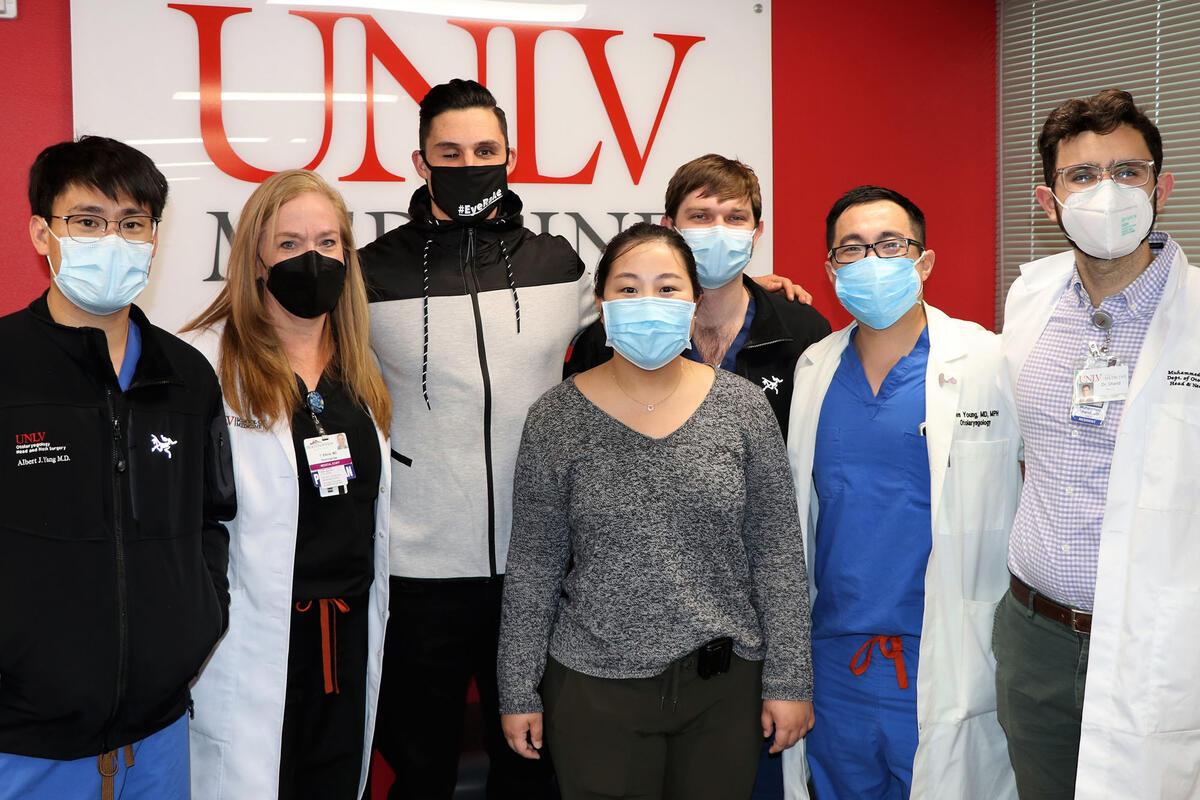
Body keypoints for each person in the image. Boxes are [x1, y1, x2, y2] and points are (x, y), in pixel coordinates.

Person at [497, 221, 813, 800]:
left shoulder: (741, 406)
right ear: (601, 303)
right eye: (628, 287)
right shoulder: (555, 418)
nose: (649, 303)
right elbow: (533, 566)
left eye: (668, 288)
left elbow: (777, 554)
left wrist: (790, 677)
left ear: (694, 302)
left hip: (723, 687)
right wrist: (517, 689)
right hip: (592, 688)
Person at [358, 78, 588, 798]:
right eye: (449, 151)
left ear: (510, 156)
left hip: (542, 564)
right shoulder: (370, 272)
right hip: (419, 572)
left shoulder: (560, 264)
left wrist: (755, 288)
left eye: (484, 150)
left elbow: (655, 294)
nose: (469, 163)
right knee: (418, 769)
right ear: (420, 162)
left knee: (533, 767)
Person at [0, 136, 235, 799]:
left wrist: (198, 620)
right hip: (23, 743)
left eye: (133, 223)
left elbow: (213, 517)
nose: (114, 239)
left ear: (154, 238)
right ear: (43, 233)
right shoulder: (7, 366)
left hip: (158, 734)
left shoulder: (186, 376)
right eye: (88, 221)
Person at [782, 186, 1021, 800]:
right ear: (830, 269)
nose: (871, 260)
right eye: (851, 249)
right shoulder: (814, 369)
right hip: (834, 656)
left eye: (890, 244)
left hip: (946, 649)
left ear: (925, 261)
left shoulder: (990, 361)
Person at [997, 88, 1200, 798]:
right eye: (1081, 176)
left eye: (1127, 171)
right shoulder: (1029, 303)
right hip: (1036, 637)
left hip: (1161, 641)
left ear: (1161, 188)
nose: (1106, 192)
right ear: (1048, 203)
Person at [182, 170, 393, 799]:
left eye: (329, 243)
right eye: (290, 244)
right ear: (254, 259)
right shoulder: (204, 362)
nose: (313, 259)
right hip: (255, 635)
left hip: (349, 634)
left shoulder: (364, 367)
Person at [565, 154, 830, 440]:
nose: (718, 231)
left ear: (756, 234)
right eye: (700, 216)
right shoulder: (611, 336)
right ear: (669, 227)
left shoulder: (802, 332)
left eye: (735, 218)